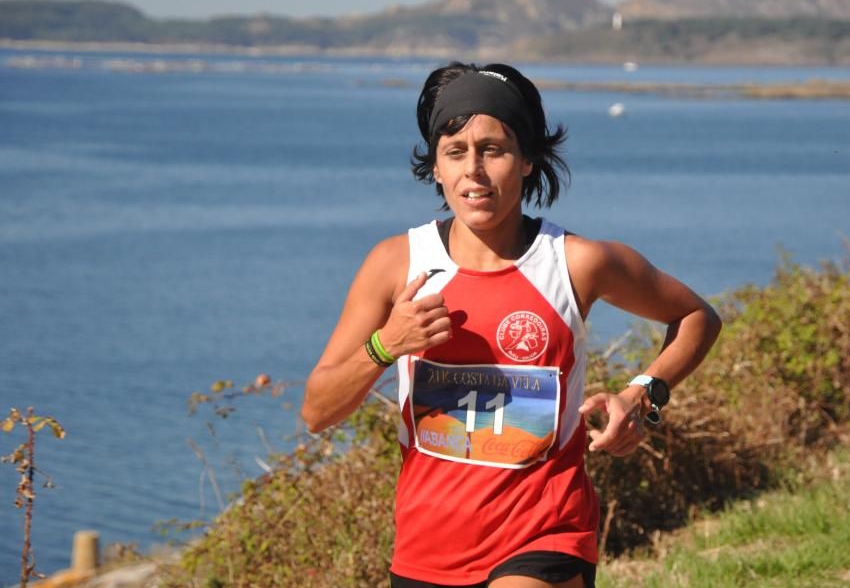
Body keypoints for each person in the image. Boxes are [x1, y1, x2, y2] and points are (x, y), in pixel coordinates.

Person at [302, 62, 722, 588]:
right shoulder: (395, 264)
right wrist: (387, 345)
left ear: (526, 161)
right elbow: (318, 410)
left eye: (493, 150)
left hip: (545, 533)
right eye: (455, 153)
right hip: (425, 549)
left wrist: (642, 394)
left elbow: (695, 317)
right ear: (436, 167)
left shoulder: (576, 262)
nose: (473, 170)